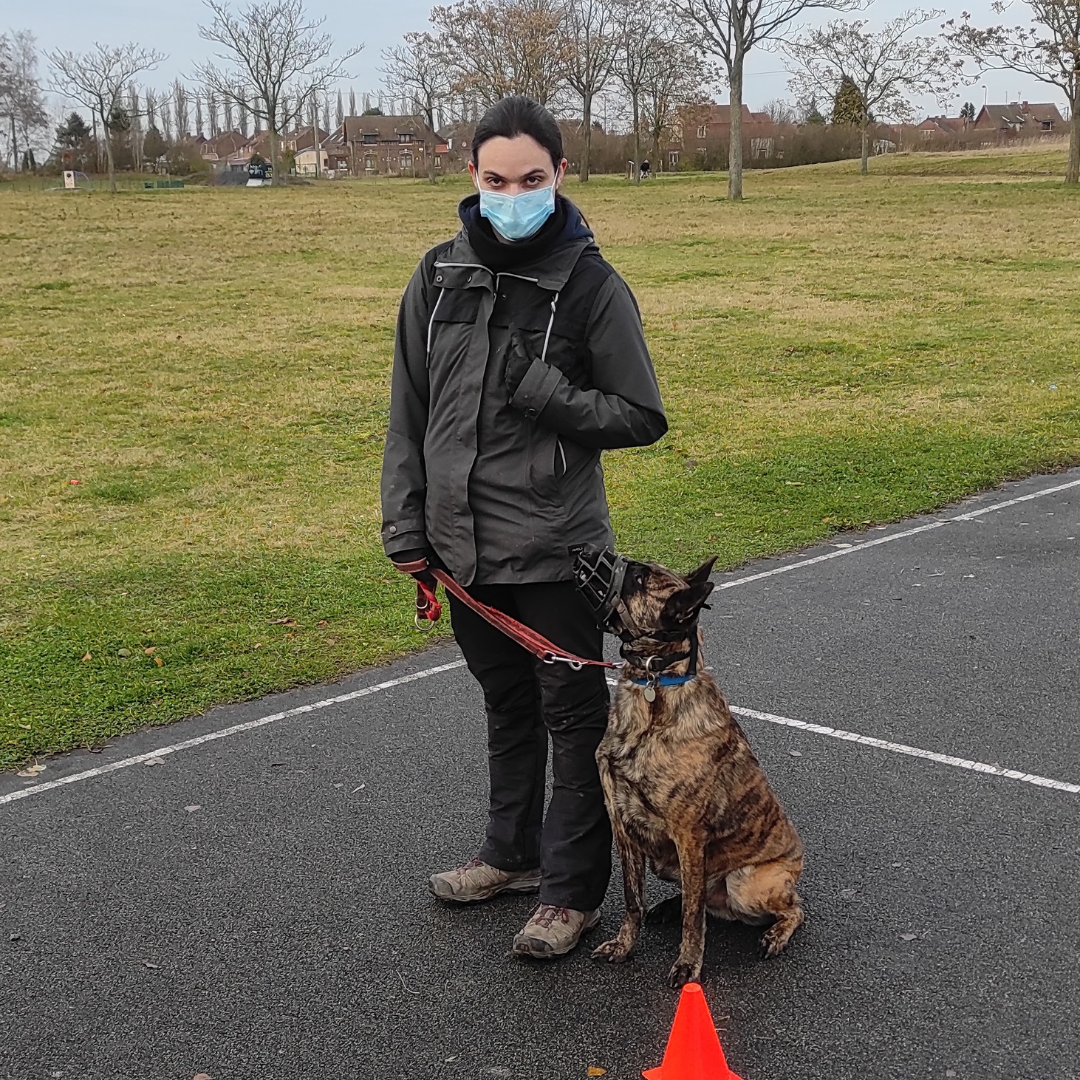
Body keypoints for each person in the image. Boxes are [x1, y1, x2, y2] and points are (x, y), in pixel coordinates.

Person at [380, 96, 667, 960]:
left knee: (571, 716)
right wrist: (408, 528)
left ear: (560, 176)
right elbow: (409, 411)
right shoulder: (437, 277)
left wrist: (546, 394)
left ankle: (568, 893)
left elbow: (640, 413)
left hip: (553, 548)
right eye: (497, 179)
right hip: (464, 550)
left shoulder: (590, 285)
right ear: (471, 175)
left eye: (532, 179)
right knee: (505, 702)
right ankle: (509, 853)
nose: (514, 194)